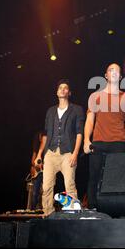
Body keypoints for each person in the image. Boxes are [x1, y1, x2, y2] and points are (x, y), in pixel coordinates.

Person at [83, 63, 125, 210]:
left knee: (117, 177)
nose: (114, 72)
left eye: (117, 71)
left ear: (120, 77)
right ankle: (93, 208)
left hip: (118, 143)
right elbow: (89, 120)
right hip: (98, 142)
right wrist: (86, 140)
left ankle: (115, 208)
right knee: (94, 177)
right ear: (106, 75)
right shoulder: (95, 96)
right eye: (110, 70)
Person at [35, 79, 85, 216]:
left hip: (68, 152)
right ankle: (48, 215)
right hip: (50, 153)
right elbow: (45, 134)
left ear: (69, 93)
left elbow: (80, 133)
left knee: (69, 184)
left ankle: (74, 215)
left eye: (65, 88)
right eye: (60, 88)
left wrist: (75, 153)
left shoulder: (77, 110)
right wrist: (40, 154)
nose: (62, 89)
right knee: (46, 187)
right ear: (56, 92)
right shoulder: (50, 111)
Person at [26, 131, 45, 211]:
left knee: (45, 191)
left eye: (42, 136)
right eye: (40, 136)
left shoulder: (48, 146)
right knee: (35, 191)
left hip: (46, 171)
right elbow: (33, 160)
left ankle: (43, 208)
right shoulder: (36, 147)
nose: (41, 137)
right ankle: (33, 209)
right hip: (38, 172)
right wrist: (34, 166)